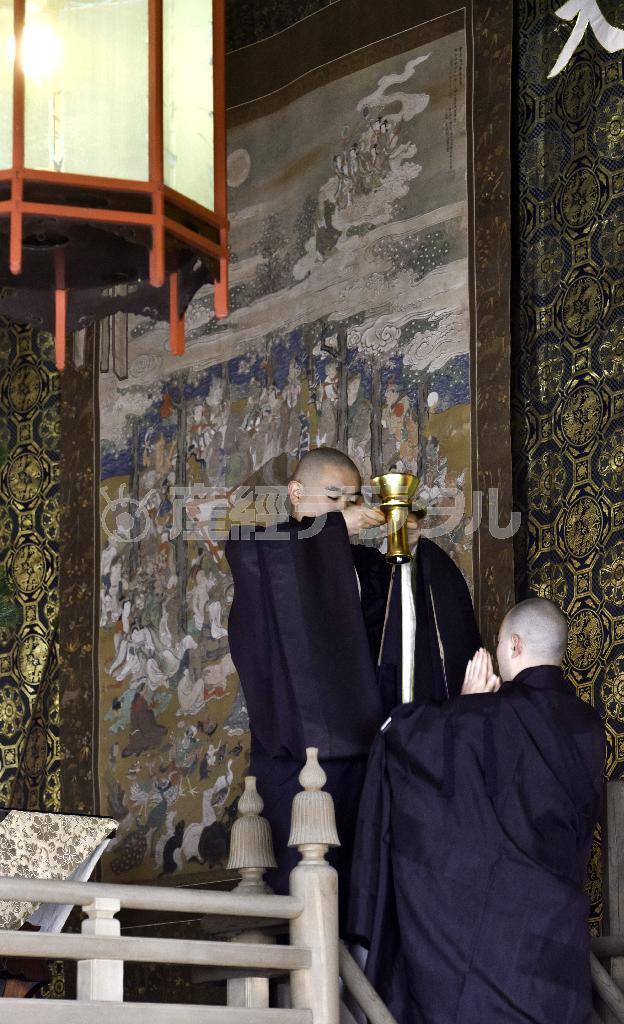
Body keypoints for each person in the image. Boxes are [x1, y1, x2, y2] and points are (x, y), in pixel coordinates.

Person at [225, 447, 480, 923]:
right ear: (296, 494)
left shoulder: (363, 565)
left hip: (366, 748)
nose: (348, 506)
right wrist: (337, 529)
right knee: (302, 884)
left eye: (355, 498)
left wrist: (410, 555)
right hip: (296, 758)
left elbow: (402, 635)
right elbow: (284, 565)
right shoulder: (260, 547)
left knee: (364, 882)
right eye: (336, 496)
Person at [349, 597, 605, 1024]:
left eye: (501, 642)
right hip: (558, 937)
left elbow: (403, 737)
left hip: (498, 941)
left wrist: (466, 704)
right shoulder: (590, 727)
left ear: (515, 646)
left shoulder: (487, 715)